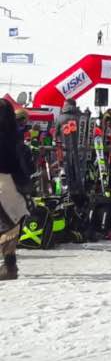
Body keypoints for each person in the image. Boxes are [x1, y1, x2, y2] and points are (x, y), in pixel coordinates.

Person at [0, 100, 31, 280]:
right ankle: (10, 265)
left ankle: (9, 267)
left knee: (5, 224)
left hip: (3, 181)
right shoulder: (16, 135)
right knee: (10, 224)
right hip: (15, 183)